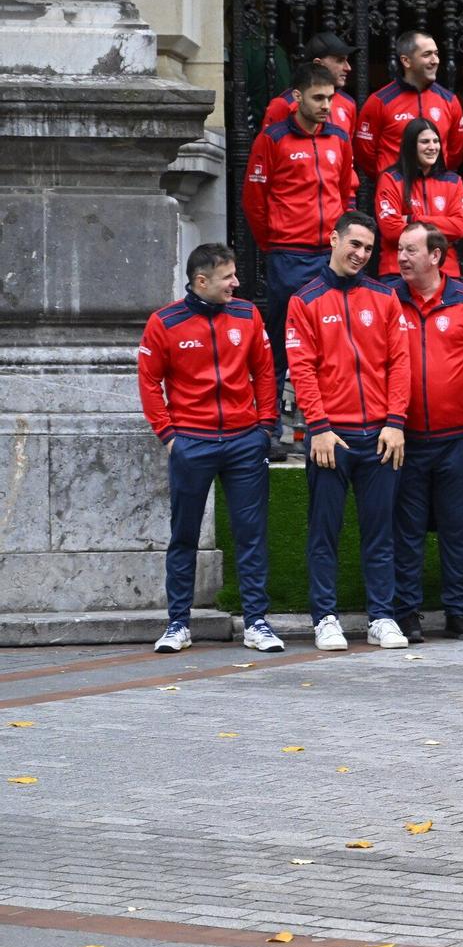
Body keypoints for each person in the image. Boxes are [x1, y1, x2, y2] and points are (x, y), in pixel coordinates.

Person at [139, 242, 284, 654]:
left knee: (251, 535)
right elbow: (149, 381)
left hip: (243, 442)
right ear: (201, 281)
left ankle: (256, 622)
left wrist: (265, 428)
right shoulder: (164, 322)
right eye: (228, 277)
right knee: (183, 536)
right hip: (192, 442)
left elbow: (264, 371)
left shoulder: (247, 314)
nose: (237, 283)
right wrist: (169, 436)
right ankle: (177, 624)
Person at [284, 212, 411, 652]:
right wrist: (317, 427)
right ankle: (325, 618)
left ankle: (381, 617)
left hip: (379, 435)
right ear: (334, 238)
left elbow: (400, 363)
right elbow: (302, 369)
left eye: (369, 249)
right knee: (324, 533)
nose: (360, 254)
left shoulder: (385, 297)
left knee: (380, 533)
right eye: (354, 244)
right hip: (330, 438)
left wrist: (395, 422)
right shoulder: (305, 300)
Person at [242, 64, 357, 458]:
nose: (327, 106)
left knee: (330, 343)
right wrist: (274, 242)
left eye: (331, 99)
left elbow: (346, 193)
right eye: (318, 98)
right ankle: (270, 428)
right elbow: (255, 202)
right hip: (288, 254)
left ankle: (325, 425)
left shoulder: (339, 139)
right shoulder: (272, 139)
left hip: (327, 255)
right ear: (297, 98)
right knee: (278, 343)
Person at [390, 224, 463, 643]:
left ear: (436, 256)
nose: (400, 257)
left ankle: (460, 613)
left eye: (410, 250)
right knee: (407, 530)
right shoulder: (387, 300)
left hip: (458, 436)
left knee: (458, 529)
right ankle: (406, 614)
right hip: (406, 437)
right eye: (398, 249)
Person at [356, 30, 463, 184]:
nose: (435, 60)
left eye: (436, 53)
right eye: (427, 54)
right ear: (406, 61)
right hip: (394, 195)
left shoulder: (450, 101)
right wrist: (389, 181)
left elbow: (455, 153)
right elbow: (365, 154)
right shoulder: (379, 101)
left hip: (436, 195)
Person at [374, 117, 463, 277]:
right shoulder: (390, 178)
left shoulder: (454, 181)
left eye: (436, 141)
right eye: (425, 142)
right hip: (398, 272)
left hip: (444, 272)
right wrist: (440, 234)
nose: (433, 147)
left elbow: (459, 227)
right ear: (411, 146)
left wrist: (411, 220)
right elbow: (391, 230)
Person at [261, 30, 358, 138]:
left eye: (347, 60)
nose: (348, 68)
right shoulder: (283, 104)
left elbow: (347, 151)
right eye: (340, 60)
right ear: (318, 64)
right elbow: (268, 147)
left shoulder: (349, 103)